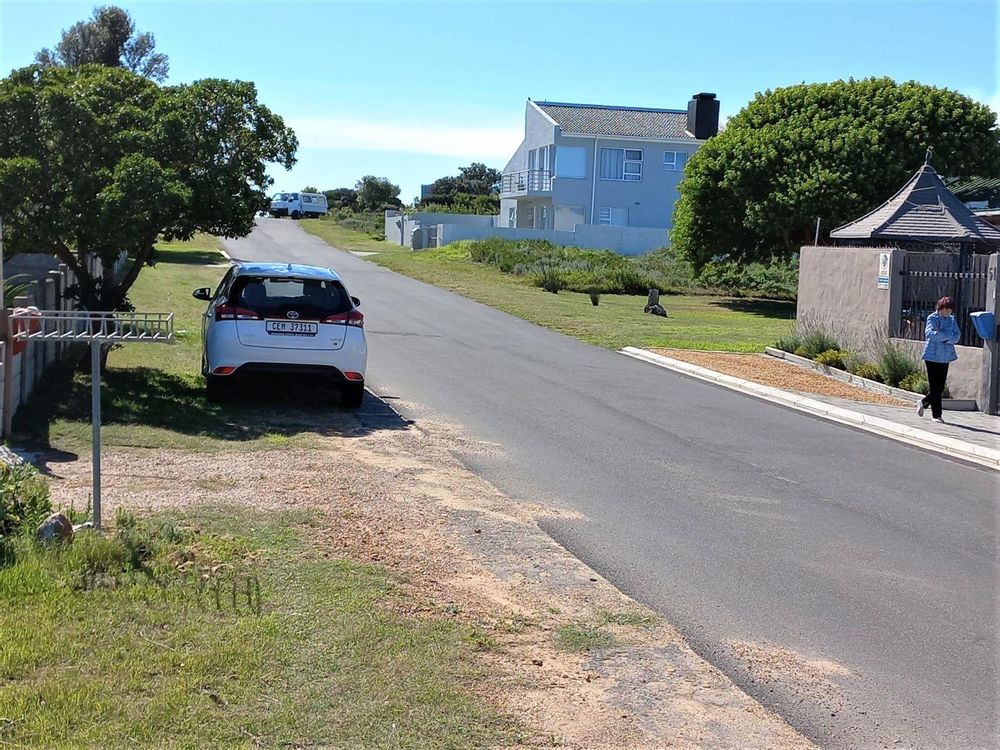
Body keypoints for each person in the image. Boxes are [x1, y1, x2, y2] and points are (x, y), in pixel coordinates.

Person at [917, 296, 960, 423]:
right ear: (941, 308)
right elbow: (930, 334)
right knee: (934, 386)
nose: (949, 312)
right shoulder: (932, 318)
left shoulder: (952, 320)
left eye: (951, 310)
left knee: (940, 387)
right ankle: (937, 415)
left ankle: (923, 402)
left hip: (945, 356)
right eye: (947, 309)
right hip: (932, 356)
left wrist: (944, 337)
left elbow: (956, 336)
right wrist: (947, 336)